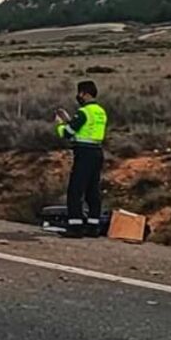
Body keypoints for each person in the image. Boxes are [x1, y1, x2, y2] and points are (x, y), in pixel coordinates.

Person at [55, 80, 107, 238]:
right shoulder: (100, 111)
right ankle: (93, 226)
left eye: (79, 93)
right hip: (97, 151)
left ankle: (75, 226)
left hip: (84, 153)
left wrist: (60, 124)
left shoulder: (84, 112)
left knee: (75, 190)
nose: (78, 96)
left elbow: (68, 133)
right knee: (92, 190)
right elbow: (85, 129)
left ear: (84, 93)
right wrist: (71, 121)